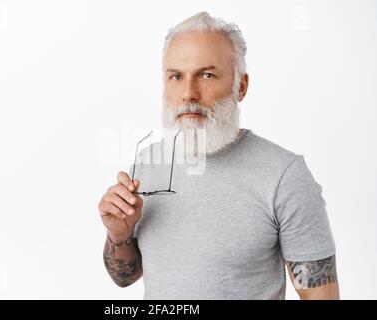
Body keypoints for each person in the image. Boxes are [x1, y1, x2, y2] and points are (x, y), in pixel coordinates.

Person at [98, 11, 339, 300]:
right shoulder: (147, 163)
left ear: (241, 86)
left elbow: (320, 295)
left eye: (207, 75)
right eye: (176, 76)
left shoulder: (284, 174)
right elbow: (125, 277)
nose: (188, 93)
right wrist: (118, 235)